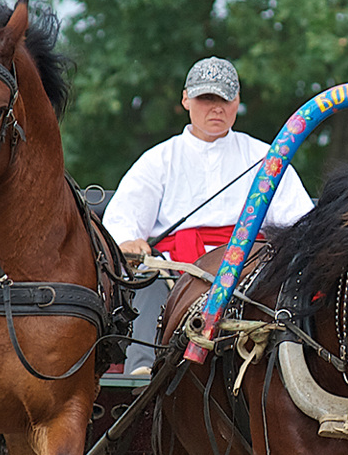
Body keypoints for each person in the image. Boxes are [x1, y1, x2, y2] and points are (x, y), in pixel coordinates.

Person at [103, 57, 315, 374]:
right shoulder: (159, 159)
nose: (216, 108)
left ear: (237, 102)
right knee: (144, 276)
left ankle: (296, 374)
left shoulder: (267, 158)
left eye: (224, 99)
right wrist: (129, 242)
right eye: (206, 98)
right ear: (186, 99)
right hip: (176, 275)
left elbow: (301, 224)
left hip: (250, 274)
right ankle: (143, 372)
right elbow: (121, 221)